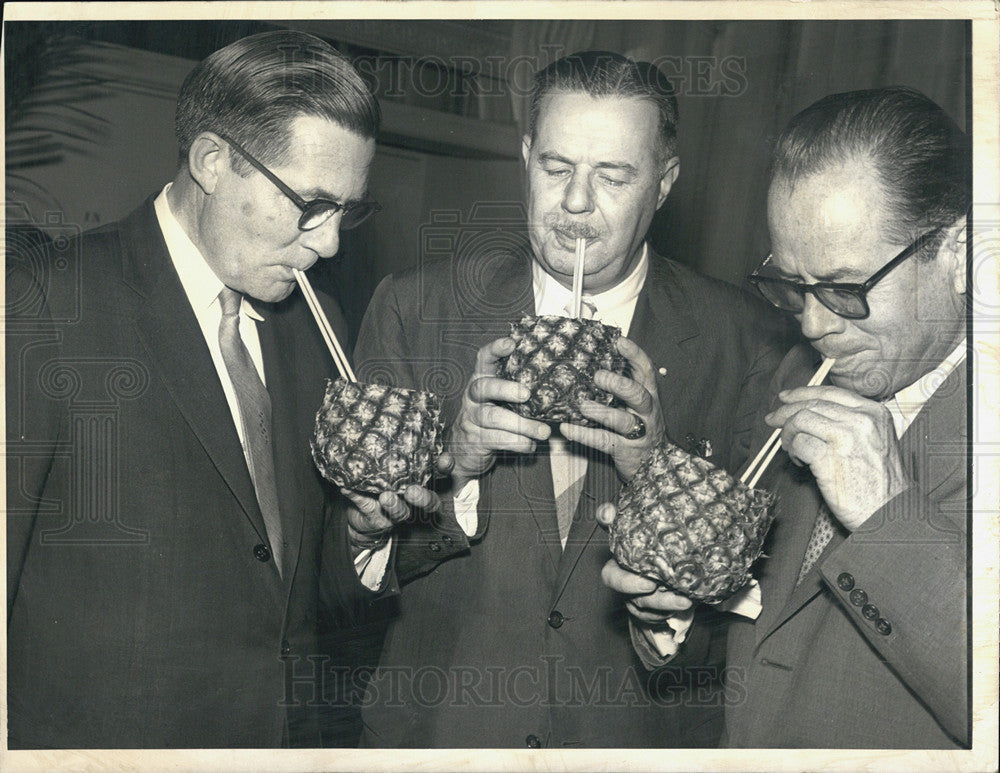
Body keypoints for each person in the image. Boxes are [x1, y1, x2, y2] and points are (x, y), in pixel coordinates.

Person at [5, 30, 440, 748]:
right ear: (212, 160)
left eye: (348, 210)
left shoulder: (312, 318)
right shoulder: (43, 306)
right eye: (311, 204)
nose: (329, 243)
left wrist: (357, 537)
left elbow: (284, 585)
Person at [350, 50, 792, 748]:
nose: (576, 204)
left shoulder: (755, 344)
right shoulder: (413, 306)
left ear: (665, 183)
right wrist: (452, 461)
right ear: (526, 157)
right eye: (555, 169)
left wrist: (658, 472)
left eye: (613, 176)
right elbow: (344, 580)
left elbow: (766, 618)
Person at [601, 86, 970, 748]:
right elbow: (768, 636)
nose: (814, 323)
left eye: (846, 289)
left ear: (957, 250)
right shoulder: (797, 375)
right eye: (794, 286)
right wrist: (677, 609)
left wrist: (887, 513)